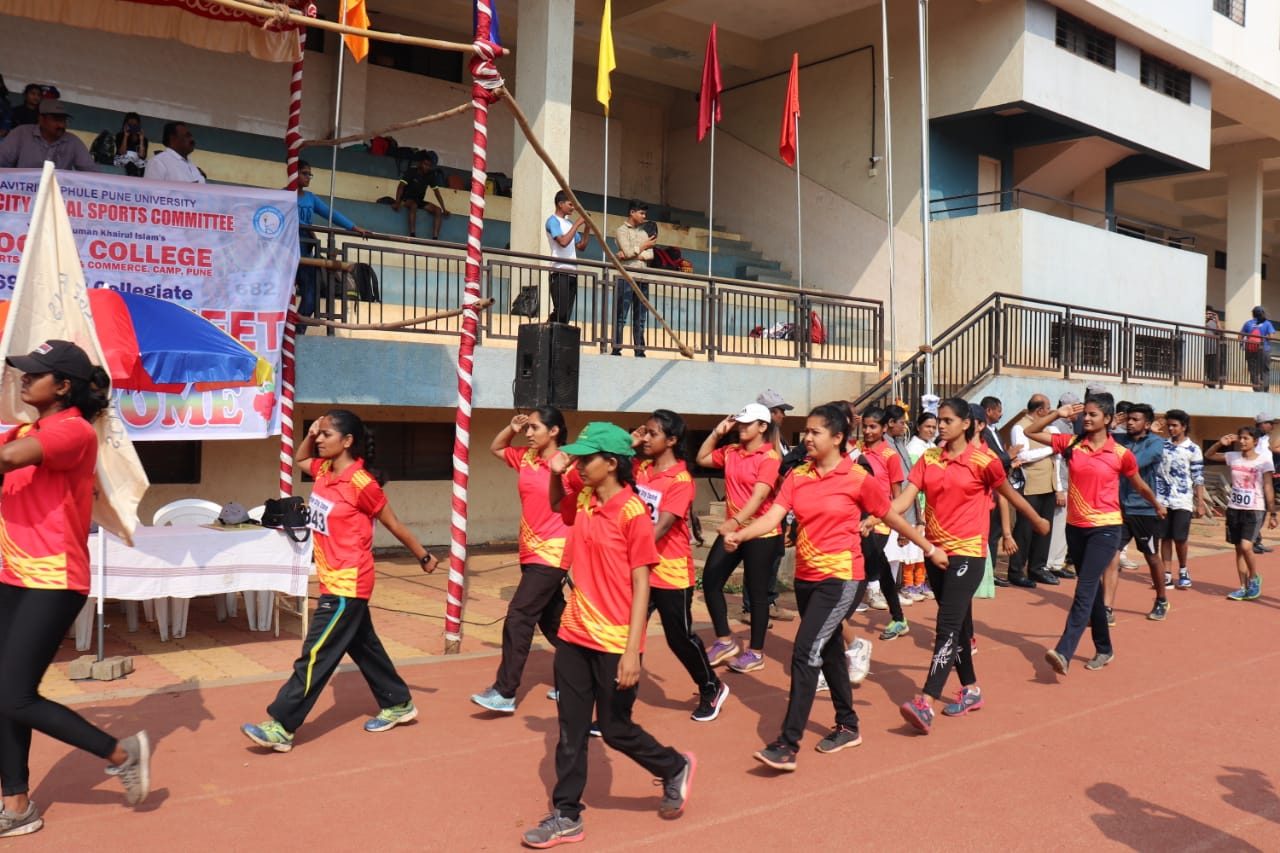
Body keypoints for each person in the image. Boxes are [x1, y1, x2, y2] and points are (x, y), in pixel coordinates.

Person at [729, 404, 937, 769]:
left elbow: (889, 514)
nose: (806, 438)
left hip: (842, 579)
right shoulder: (796, 476)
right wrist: (741, 532)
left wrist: (928, 547)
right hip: (806, 580)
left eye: (815, 432)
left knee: (805, 650)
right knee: (827, 654)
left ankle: (787, 743)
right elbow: (774, 518)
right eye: (805, 432)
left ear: (838, 438)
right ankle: (848, 725)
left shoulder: (857, 478)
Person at [0, 340, 152, 837]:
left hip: (55, 579)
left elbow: (8, 460)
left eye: (34, 374)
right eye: (22, 372)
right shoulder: (29, 428)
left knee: (15, 696)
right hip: (13, 574)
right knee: (3, 693)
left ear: (62, 386)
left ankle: (121, 752)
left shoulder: (72, 431)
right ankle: (17, 803)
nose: (23, 379)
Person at [523, 423, 694, 848]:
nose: (579, 464)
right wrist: (556, 473)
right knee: (571, 730)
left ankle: (673, 766)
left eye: (586, 459)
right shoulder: (582, 498)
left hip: (615, 641)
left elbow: (642, 584)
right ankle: (566, 814)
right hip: (574, 632)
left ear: (612, 464)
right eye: (577, 458)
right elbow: (558, 507)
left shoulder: (633, 513)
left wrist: (633, 652)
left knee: (616, 730)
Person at [242, 410, 439, 752]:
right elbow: (299, 457)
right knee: (365, 647)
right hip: (333, 579)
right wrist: (310, 431)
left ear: (347, 441)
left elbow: (393, 523)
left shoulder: (361, 483)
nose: (319, 439)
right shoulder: (324, 472)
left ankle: (282, 725)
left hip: (349, 583)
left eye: (326, 434)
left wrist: (423, 555)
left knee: (315, 654)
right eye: (318, 434)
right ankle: (399, 703)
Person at [895, 397, 1050, 734]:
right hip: (935, 553)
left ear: (966, 424)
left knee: (947, 625)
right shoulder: (929, 458)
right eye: (939, 420)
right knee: (960, 626)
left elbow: (1008, 493)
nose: (941, 426)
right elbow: (905, 500)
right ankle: (971, 690)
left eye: (948, 420)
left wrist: (1037, 520)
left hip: (968, 554)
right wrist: (877, 516)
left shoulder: (984, 461)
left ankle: (926, 701)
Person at [1024, 393, 1164, 676]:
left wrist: (1157, 504)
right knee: (1095, 592)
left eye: (1093, 414)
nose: (1086, 418)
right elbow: (1030, 431)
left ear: (1109, 420)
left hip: (1107, 528)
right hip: (1076, 528)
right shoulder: (1072, 443)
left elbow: (1138, 485)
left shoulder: (1121, 454)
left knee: (1085, 586)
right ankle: (1104, 648)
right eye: (1084, 414)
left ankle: (1064, 650)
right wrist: (1059, 415)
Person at [629, 410, 729, 722]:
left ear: (671, 440)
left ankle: (711, 685)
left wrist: (622, 555)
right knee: (628, 636)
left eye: (652, 433)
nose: (645, 438)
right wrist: (627, 442)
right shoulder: (640, 467)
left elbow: (659, 530)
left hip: (670, 572)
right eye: (643, 431)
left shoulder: (681, 481)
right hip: (641, 569)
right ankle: (616, 709)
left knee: (680, 638)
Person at [471, 408, 572, 714]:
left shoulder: (570, 463)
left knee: (519, 616)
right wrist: (511, 427)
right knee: (554, 623)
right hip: (529, 549)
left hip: (554, 551)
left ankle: (505, 692)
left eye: (534, 428)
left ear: (554, 431)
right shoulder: (526, 458)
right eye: (527, 428)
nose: (529, 433)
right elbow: (497, 448)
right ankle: (584, 677)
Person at [696, 403, 784, 674]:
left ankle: (755, 652)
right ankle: (724, 640)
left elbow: (759, 496)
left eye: (748, 423)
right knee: (711, 580)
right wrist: (716, 433)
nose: (742, 427)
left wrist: (734, 522)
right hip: (733, 532)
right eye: (740, 423)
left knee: (756, 592)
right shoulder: (731, 451)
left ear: (762, 427)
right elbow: (701, 459)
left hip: (762, 532)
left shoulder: (770, 457)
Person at [292, 160, 371, 331]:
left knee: (311, 298)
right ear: (294, 173)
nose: (308, 178)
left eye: (309, 174)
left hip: (306, 251)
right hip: (286, 252)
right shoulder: (282, 195)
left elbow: (331, 214)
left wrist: (354, 227)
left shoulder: (310, 198)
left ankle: (297, 334)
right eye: (305, 173)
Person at [742, 388, 798, 624]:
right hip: (762, 512)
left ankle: (769, 601)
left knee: (774, 558)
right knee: (757, 563)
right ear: (768, 414)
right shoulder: (762, 442)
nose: (782, 416)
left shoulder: (780, 438)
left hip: (778, 509)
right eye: (779, 411)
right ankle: (750, 607)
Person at [856, 406, 912, 638]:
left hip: (879, 521)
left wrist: (901, 527)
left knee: (863, 566)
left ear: (883, 428)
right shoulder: (856, 451)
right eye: (865, 426)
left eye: (873, 427)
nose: (868, 431)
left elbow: (897, 494)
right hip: (856, 519)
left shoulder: (890, 456)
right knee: (878, 565)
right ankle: (899, 618)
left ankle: (838, 620)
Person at [1109, 404, 1169, 621]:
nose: (1130, 423)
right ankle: (1107, 607)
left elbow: (1133, 463)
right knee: (1111, 557)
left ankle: (1161, 599)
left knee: (1152, 557)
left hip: (1144, 510)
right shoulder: (1118, 439)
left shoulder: (1156, 443)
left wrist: (1111, 447)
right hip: (1119, 509)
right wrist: (1108, 430)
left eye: (1135, 419)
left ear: (1147, 424)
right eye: (1128, 419)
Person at [1204, 426, 1276, 601]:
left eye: (1246, 439)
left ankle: (1253, 579)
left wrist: (1272, 513)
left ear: (1255, 441)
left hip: (1255, 508)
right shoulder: (1232, 457)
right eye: (1240, 438)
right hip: (1234, 508)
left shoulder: (1264, 461)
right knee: (1238, 550)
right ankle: (1242, 587)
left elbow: (1268, 486)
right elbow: (1208, 455)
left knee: (1246, 546)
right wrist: (1220, 443)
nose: (1242, 442)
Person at [1008, 394, 1060, 586]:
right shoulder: (1019, 427)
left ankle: (1037, 567)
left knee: (1045, 528)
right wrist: (1051, 448)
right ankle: (1016, 570)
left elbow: (1059, 453)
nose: (1049, 412)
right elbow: (1024, 455)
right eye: (1048, 408)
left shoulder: (1050, 427)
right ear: (1040, 410)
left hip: (1049, 483)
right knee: (1025, 528)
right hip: (1031, 484)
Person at [1155, 409, 1206, 590]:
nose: (1171, 428)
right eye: (1169, 425)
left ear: (1184, 427)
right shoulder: (1161, 445)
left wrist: (1199, 502)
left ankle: (1183, 569)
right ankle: (1166, 574)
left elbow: (1198, 477)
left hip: (1183, 500)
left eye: (1175, 425)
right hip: (1162, 499)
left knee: (1180, 538)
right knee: (1165, 538)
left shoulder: (1193, 449)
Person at [611, 200, 657, 357]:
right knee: (621, 316)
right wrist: (642, 248)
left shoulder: (644, 233)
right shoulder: (621, 231)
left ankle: (639, 350)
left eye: (645, 214)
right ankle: (616, 348)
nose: (644, 216)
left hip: (643, 278)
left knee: (641, 317)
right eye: (641, 213)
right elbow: (628, 250)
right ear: (632, 212)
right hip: (627, 277)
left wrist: (632, 253)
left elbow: (650, 255)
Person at [0, 99, 96, 171]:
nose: (61, 125)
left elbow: (92, 173)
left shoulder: (72, 141)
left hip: (56, 196)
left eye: (64, 120)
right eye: (56, 119)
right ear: (41, 119)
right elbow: (2, 162)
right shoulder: (21, 133)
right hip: (21, 194)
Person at [545, 190, 589, 323]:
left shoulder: (569, 224)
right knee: (561, 310)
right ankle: (548, 328)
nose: (573, 207)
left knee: (566, 314)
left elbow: (581, 246)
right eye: (570, 204)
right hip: (559, 271)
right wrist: (577, 224)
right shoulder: (552, 221)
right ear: (560, 204)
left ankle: (556, 337)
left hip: (572, 272)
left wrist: (587, 227)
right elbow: (563, 242)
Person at [1046, 392, 1077, 579]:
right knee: (1057, 525)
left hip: (1069, 481)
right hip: (1061, 482)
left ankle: (1058, 562)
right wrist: (1059, 488)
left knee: (1064, 525)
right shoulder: (1057, 426)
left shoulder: (1069, 425)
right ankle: (1051, 563)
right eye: (1076, 407)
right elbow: (1057, 458)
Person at [392, 151, 450, 239]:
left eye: (429, 165)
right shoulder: (411, 171)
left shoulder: (430, 175)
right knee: (414, 205)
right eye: (425, 164)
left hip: (419, 201)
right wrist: (397, 202)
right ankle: (412, 235)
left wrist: (444, 209)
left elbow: (437, 193)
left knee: (438, 210)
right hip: (406, 199)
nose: (427, 167)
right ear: (420, 163)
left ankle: (435, 238)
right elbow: (401, 187)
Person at [1251, 412, 1277, 554]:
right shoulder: (1255, 439)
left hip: (1265, 478)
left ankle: (1256, 540)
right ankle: (1252, 540)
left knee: (1264, 510)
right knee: (1257, 513)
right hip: (1255, 481)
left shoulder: (1266, 439)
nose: (1272, 427)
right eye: (1269, 424)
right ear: (1262, 424)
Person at [1240, 306, 1275, 392]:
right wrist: (1264, 337)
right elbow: (1271, 337)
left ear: (1253, 314)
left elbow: (1240, 337)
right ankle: (1265, 389)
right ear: (1262, 313)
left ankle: (1257, 389)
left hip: (1250, 350)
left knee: (1253, 370)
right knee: (1265, 370)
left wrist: (1246, 342)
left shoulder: (1248, 323)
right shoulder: (1267, 323)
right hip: (1264, 349)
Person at [113, 111, 148, 176]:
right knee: (130, 165)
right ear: (125, 125)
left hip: (137, 161)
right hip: (123, 160)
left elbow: (142, 156)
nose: (132, 127)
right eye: (130, 125)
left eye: (134, 125)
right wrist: (125, 136)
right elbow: (122, 152)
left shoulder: (144, 139)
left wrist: (141, 139)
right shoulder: (120, 136)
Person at [1204, 306, 1223, 387]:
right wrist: (1205, 319)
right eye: (1207, 313)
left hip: (1212, 348)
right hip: (1202, 347)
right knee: (1204, 366)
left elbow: (1221, 332)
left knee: (1212, 367)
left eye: (1211, 314)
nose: (1209, 315)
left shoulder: (1214, 322)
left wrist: (1217, 321)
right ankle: (1204, 380)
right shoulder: (1201, 320)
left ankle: (1212, 383)